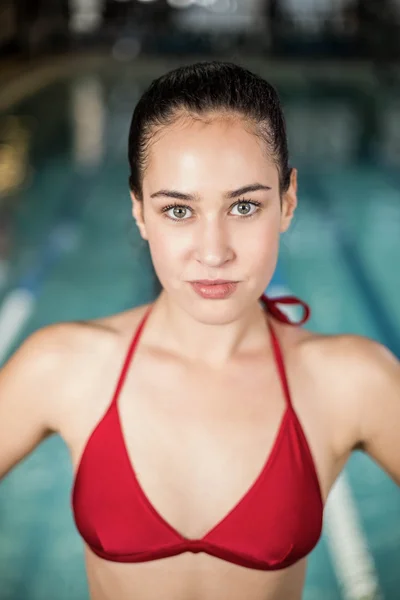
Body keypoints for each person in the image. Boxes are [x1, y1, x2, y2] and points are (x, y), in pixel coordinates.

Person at [0, 61, 399, 600]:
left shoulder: (352, 380)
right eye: (179, 211)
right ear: (139, 211)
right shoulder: (63, 367)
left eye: (243, 205)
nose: (214, 252)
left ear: (287, 201)